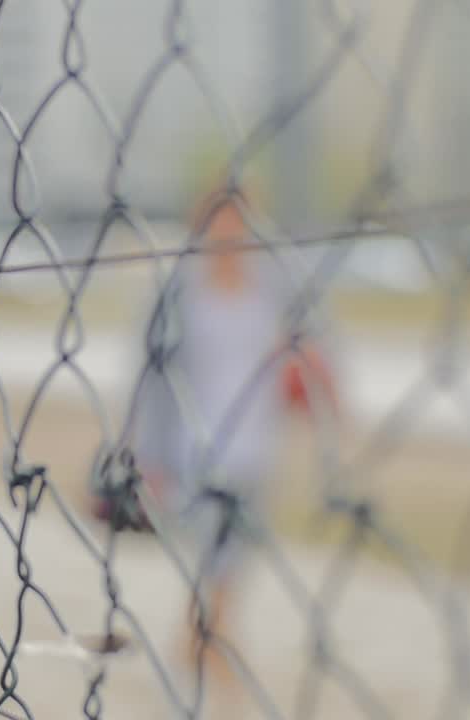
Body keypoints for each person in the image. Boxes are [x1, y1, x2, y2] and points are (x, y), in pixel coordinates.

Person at [97, 183, 342, 707]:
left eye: (239, 220)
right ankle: (214, 644)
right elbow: (149, 371)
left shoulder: (273, 285)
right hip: (195, 442)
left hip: (258, 439)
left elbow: (318, 343)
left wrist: (310, 371)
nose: (231, 231)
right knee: (215, 550)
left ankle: (196, 639)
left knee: (239, 549)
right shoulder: (180, 289)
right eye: (220, 219)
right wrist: (144, 450)